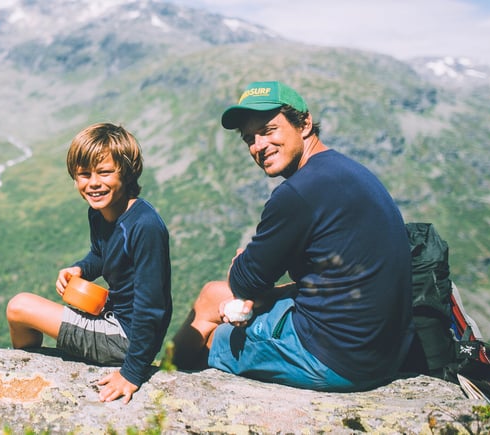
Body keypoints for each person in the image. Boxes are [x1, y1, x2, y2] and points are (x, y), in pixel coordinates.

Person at [171, 81, 414, 392]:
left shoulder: (298, 193)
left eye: (269, 130)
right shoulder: (348, 171)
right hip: (385, 352)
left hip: (336, 359)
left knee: (208, 319)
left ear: (305, 123)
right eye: (250, 139)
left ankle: (166, 382)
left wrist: (240, 264)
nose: (258, 145)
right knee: (215, 294)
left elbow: (245, 283)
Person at [6, 122, 172, 403]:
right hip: (113, 315)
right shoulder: (99, 213)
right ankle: (33, 367)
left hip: (126, 337)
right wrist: (81, 268)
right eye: (84, 175)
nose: (93, 183)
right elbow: (100, 254)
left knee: (19, 308)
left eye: (105, 172)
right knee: (23, 309)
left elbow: (151, 308)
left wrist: (131, 373)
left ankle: (29, 372)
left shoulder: (145, 226)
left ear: (127, 173)